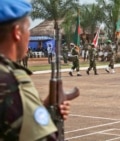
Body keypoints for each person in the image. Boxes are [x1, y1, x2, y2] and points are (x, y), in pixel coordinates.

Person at [0, 0, 71, 140]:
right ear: (17, 32)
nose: (29, 36)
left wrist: (42, 109)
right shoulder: (13, 83)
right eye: (28, 29)